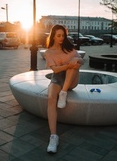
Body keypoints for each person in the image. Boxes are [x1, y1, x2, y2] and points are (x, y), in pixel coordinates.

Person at [44, 24, 84, 153]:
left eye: (63, 35)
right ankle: (53, 136)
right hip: (57, 78)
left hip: (71, 80)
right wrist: (68, 64)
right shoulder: (48, 52)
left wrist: (77, 60)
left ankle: (64, 92)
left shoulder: (69, 48)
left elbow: (81, 62)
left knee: (74, 64)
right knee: (50, 98)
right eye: (59, 36)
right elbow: (55, 70)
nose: (61, 38)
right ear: (53, 36)